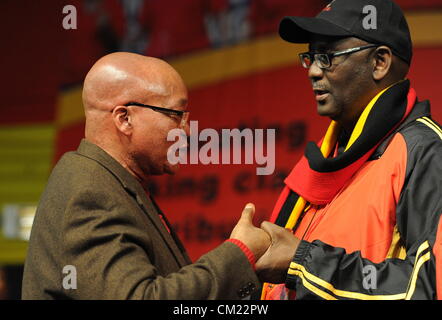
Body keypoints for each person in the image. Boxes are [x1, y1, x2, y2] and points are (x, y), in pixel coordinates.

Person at [22, 52, 274, 299]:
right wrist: (240, 252)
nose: (186, 131)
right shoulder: (91, 193)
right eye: (176, 115)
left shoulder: (108, 181)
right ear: (124, 119)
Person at [257, 0, 442, 300]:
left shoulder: (425, 152)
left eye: (328, 57)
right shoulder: (323, 159)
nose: (313, 71)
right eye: (311, 57)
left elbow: (429, 287)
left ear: (380, 62)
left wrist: (305, 262)